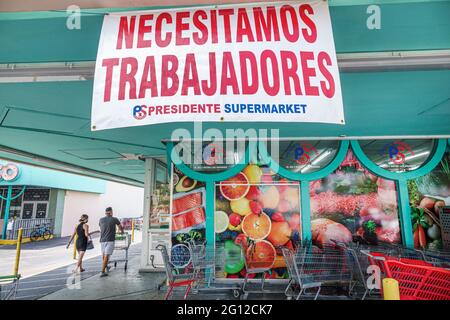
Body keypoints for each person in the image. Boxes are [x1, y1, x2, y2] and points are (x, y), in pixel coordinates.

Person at [99, 207, 123, 277]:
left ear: (105, 212)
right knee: (106, 255)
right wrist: (122, 232)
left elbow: (101, 227)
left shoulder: (101, 219)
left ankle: (105, 266)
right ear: (111, 212)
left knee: (104, 254)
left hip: (102, 240)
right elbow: (120, 227)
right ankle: (102, 271)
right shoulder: (114, 219)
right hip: (110, 239)